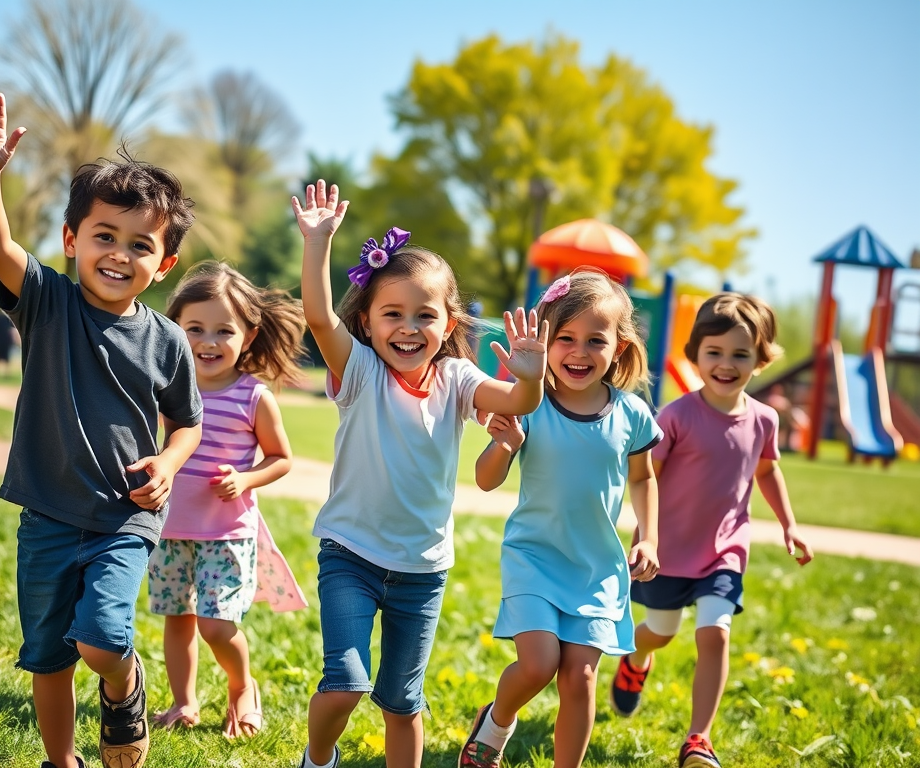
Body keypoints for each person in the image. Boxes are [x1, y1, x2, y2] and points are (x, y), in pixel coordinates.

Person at [0, 88, 203, 768]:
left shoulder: (167, 341)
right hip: (47, 516)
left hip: (125, 518)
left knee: (99, 640)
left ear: (164, 263)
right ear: (71, 240)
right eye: (103, 236)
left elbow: (186, 424)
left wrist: (170, 465)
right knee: (49, 658)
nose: (119, 254)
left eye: (140, 244)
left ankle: (123, 685)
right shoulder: (48, 303)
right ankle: (61, 759)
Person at [291, 180, 548, 768]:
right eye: (393, 314)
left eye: (424, 315)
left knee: (403, 702)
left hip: (422, 571)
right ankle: (318, 757)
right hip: (350, 556)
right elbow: (317, 314)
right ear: (369, 320)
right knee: (346, 681)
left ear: (449, 320)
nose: (408, 327)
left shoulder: (456, 378)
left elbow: (519, 403)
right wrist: (317, 243)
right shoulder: (357, 371)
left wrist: (531, 376)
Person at [458, 269, 663, 768]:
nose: (578, 352)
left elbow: (644, 479)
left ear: (619, 347)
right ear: (544, 343)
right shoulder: (529, 405)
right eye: (565, 338)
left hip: (596, 570)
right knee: (539, 665)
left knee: (580, 678)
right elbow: (486, 479)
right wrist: (505, 445)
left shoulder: (631, 414)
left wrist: (648, 537)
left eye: (595, 340)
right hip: (534, 558)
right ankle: (497, 722)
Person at [609, 292, 814, 768]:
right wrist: (645, 536)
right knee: (660, 631)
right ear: (696, 355)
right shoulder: (676, 416)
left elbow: (766, 471)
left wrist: (790, 525)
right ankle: (637, 660)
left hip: (725, 550)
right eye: (714, 352)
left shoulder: (765, 419)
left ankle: (698, 739)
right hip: (668, 551)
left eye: (740, 353)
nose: (726, 364)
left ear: (761, 359)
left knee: (715, 633)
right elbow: (646, 477)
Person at [149, 261, 309, 739]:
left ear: (250, 335)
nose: (208, 341)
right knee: (177, 620)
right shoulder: (165, 388)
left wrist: (246, 478)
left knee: (216, 625)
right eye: (194, 328)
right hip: (169, 526)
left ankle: (242, 688)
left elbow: (281, 458)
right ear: (173, 328)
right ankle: (184, 702)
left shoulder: (253, 396)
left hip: (227, 532)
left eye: (224, 330)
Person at [0, 309, 20, 379]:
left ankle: (7, 374)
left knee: (6, 359)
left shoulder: (8, 319)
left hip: (6, 341)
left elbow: (12, 329)